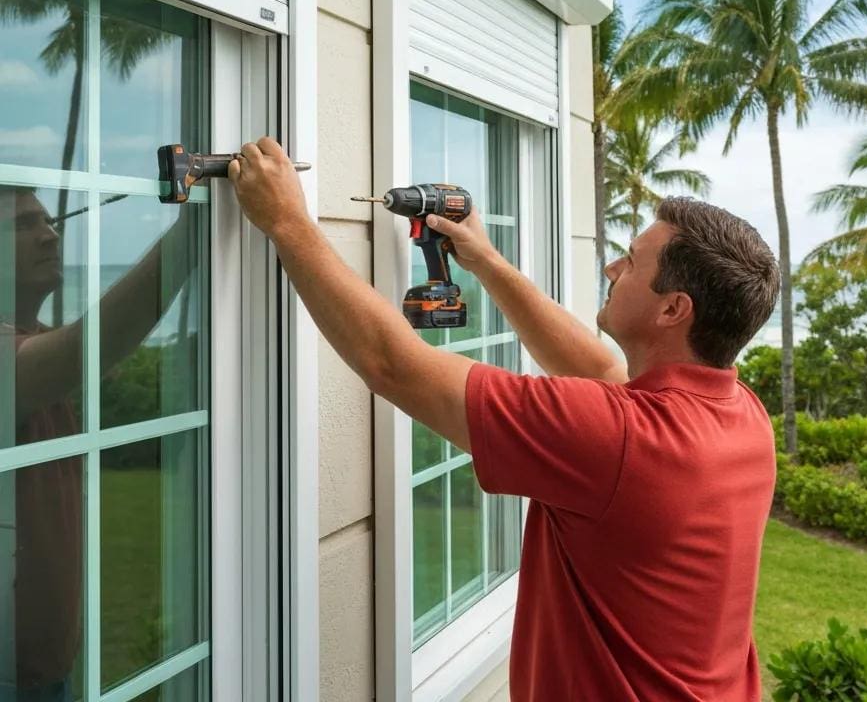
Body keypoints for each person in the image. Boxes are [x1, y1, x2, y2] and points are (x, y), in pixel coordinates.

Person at [229, 137, 781, 702]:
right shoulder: (740, 414)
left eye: (633, 262)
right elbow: (596, 367)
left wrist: (287, 221)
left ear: (672, 309)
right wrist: (485, 260)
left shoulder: (621, 438)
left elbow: (393, 365)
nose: (613, 267)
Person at [0, 186, 195, 702]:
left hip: (44, 669)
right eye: (23, 225)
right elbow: (86, 349)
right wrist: (191, 231)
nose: (50, 234)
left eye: (47, 221)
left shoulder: (31, 338)